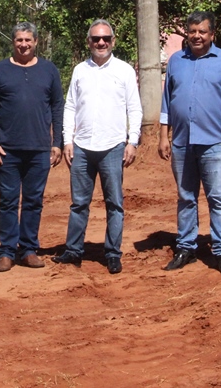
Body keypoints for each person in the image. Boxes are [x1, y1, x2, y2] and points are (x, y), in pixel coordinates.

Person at [158, 12, 221, 278]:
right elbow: (167, 102)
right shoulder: (176, 61)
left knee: (217, 198)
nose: (196, 36)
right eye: (192, 31)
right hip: (182, 142)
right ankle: (186, 247)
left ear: (212, 35)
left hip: (215, 143)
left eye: (202, 32)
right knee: (186, 198)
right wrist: (164, 136)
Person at [53, 20, 142, 275]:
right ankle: (73, 251)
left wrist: (132, 141)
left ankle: (112, 253)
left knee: (114, 203)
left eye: (105, 38)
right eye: (95, 39)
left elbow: (134, 108)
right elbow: (70, 106)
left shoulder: (125, 71)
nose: (100, 43)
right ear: (88, 42)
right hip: (81, 147)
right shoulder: (80, 70)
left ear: (113, 41)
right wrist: (67, 140)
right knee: (79, 203)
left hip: (113, 146)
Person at [0, 21, 64, 272]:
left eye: (28, 40)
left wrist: (57, 143)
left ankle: (28, 249)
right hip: (6, 150)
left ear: (36, 42)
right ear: (13, 42)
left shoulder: (49, 71)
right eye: (19, 40)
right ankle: (7, 252)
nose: (24, 44)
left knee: (33, 201)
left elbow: (57, 107)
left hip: (40, 149)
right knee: (8, 201)